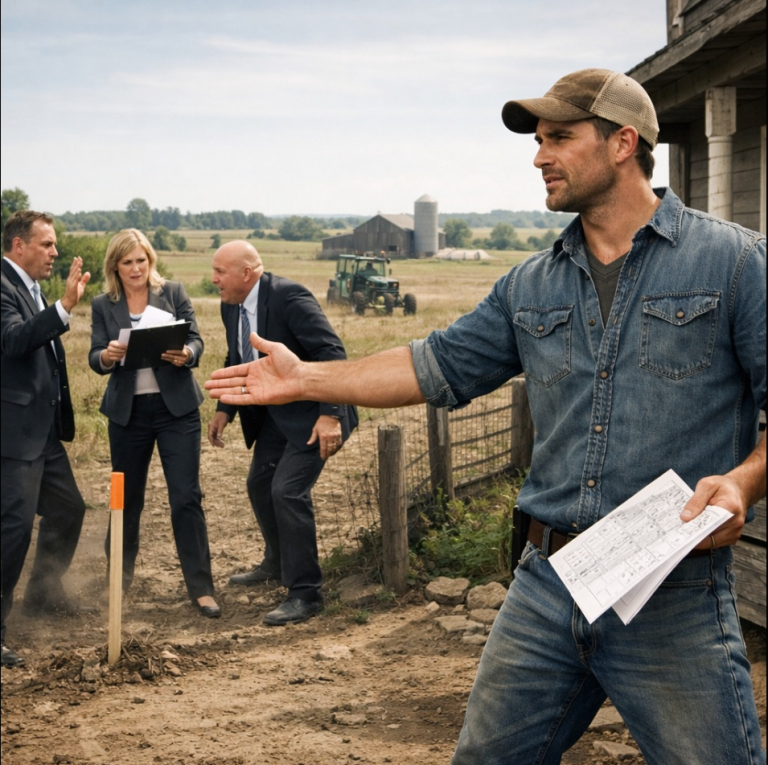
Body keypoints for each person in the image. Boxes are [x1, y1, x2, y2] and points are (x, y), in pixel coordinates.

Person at [206, 69, 766, 764]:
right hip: (547, 581)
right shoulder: (531, 282)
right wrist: (306, 377)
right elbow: (432, 364)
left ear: (624, 143)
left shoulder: (735, 264)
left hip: (672, 593)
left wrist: (744, 479)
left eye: (559, 137)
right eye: (537, 140)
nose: (539, 157)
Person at [206, 240, 357, 626]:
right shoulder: (231, 305)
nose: (213, 279)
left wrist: (331, 416)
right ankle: (276, 562)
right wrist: (226, 409)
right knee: (260, 484)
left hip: (317, 412)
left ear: (246, 273)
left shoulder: (289, 297)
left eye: (220, 272)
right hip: (277, 413)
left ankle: (306, 593)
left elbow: (332, 353)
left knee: (287, 491)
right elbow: (239, 357)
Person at [89, 229, 219, 618]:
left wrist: (188, 353)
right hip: (128, 416)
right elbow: (95, 356)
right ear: (116, 266)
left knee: (186, 498)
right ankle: (118, 585)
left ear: (151, 260)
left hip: (176, 411)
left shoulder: (174, 292)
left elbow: (196, 340)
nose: (135, 268)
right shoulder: (102, 304)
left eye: (141, 260)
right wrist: (108, 356)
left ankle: (201, 588)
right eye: (127, 262)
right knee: (126, 502)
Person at [1, 210, 92, 668]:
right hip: (13, 434)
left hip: (45, 432)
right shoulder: (1, 286)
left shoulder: (31, 289)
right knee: (12, 530)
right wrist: (63, 308)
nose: (55, 252)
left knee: (68, 508)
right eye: (47, 244)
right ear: (19, 246)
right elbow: (14, 341)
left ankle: (42, 594)